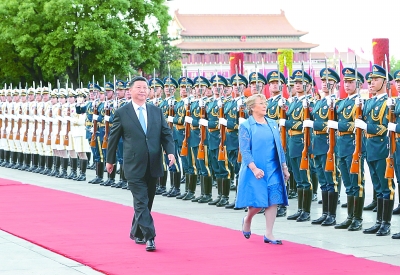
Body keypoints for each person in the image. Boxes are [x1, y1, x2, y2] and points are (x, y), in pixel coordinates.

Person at [106, 76, 175, 252]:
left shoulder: (156, 111)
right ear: (130, 91)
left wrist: (171, 152)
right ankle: (149, 236)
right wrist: (110, 159)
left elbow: (165, 134)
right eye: (138, 87)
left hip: (153, 162)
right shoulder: (122, 112)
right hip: (133, 164)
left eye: (145, 87)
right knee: (140, 200)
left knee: (148, 201)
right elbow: (113, 138)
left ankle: (136, 231)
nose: (143, 90)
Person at [237, 94, 289, 244]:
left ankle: (269, 233)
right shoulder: (246, 125)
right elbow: (245, 151)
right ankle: (248, 219)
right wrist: (254, 169)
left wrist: (284, 167)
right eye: (261, 103)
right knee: (259, 202)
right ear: (252, 107)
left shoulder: (272, 123)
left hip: (273, 168)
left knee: (273, 199)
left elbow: (279, 147)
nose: (265, 105)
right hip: (256, 168)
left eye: (265, 103)